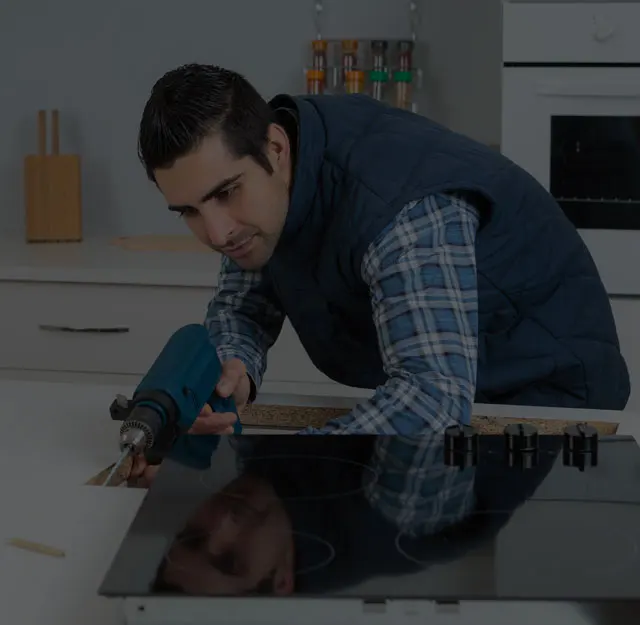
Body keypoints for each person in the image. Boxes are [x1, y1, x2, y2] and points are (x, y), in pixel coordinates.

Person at [129, 62, 629, 483]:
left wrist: (269, 473)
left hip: (551, 408)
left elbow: (431, 398)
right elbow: (243, 305)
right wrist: (231, 367)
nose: (216, 232)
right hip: (457, 397)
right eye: (189, 211)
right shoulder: (262, 183)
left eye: (224, 193)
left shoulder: (399, 207)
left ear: (276, 150)